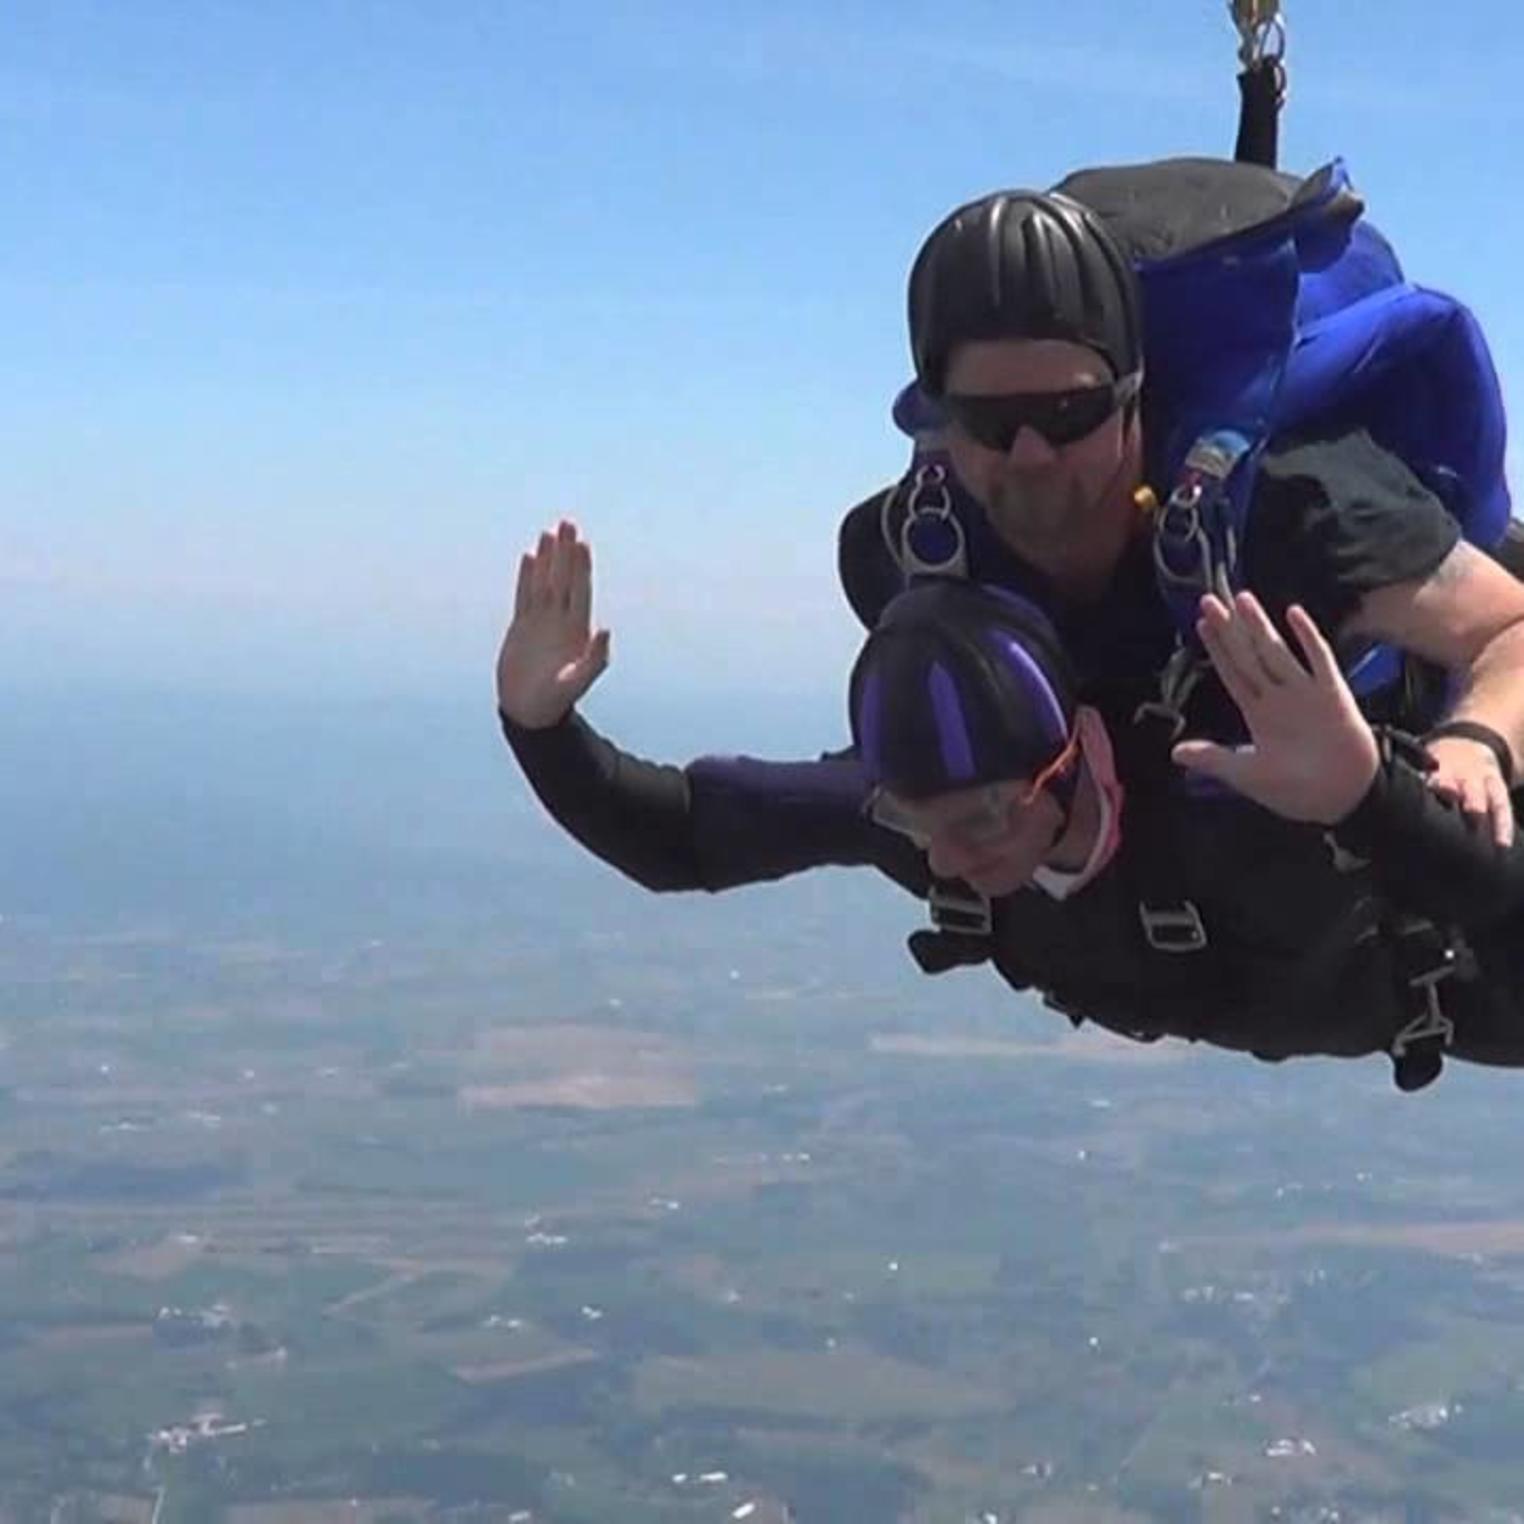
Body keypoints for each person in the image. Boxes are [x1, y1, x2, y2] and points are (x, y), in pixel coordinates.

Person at [498, 520, 1524, 1093]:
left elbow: (1487, 886)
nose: (948, 861)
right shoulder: (921, 812)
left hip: (1476, 981)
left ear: (1075, 757)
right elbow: (683, 836)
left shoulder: (1235, 789)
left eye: (988, 818)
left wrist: (1365, 798)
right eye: (917, 821)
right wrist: (539, 730)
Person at [838, 161, 1524, 848]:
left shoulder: (1299, 509)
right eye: (989, 420)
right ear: (941, 422)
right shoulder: (918, 550)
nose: (1030, 454)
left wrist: (1474, 743)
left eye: (1070, 411)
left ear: (1134, 393)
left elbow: (1509, 629)